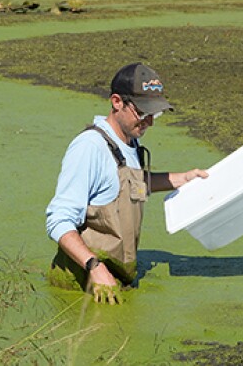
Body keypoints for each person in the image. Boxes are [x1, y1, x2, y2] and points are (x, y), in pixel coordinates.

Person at [46, 62, 209, 304]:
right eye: (143, 112)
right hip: (83, 286)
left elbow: (128, 185)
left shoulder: (130, 142)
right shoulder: (90, 147)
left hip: (118, 282)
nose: (150, 122)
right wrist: (94, 266)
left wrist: (182, 179)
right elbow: (58, 220)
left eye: (155, 114)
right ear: (116, 102)